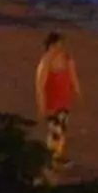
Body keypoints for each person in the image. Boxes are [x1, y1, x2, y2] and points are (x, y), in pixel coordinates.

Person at [35, 30, 81, 166]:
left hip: (63, 101)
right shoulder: (45, 63)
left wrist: (77, 90)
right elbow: (40, 86)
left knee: (62, 131)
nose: (60, 48)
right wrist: (41, 106)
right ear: (51, 45)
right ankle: (53, 158)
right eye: (58, 45)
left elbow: (72, 76)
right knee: (56, 132)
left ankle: (57, 156)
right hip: (52, 103)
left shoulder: (66, 58)